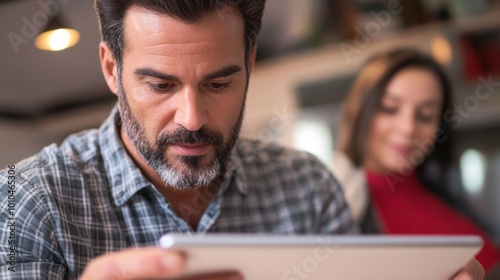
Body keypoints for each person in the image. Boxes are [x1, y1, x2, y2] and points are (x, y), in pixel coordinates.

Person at [0, 1, 482, 279]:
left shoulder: (308, 188)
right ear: (111, 68)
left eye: (219, 83)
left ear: (249, 63)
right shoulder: (28, 201)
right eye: (160, 85)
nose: (192, 119)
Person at [333, 48, 499, 277]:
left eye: (425, 115)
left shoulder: (445, 193)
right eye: (390, 108)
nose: (408, 128)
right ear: (360, 110)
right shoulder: (339, 205)